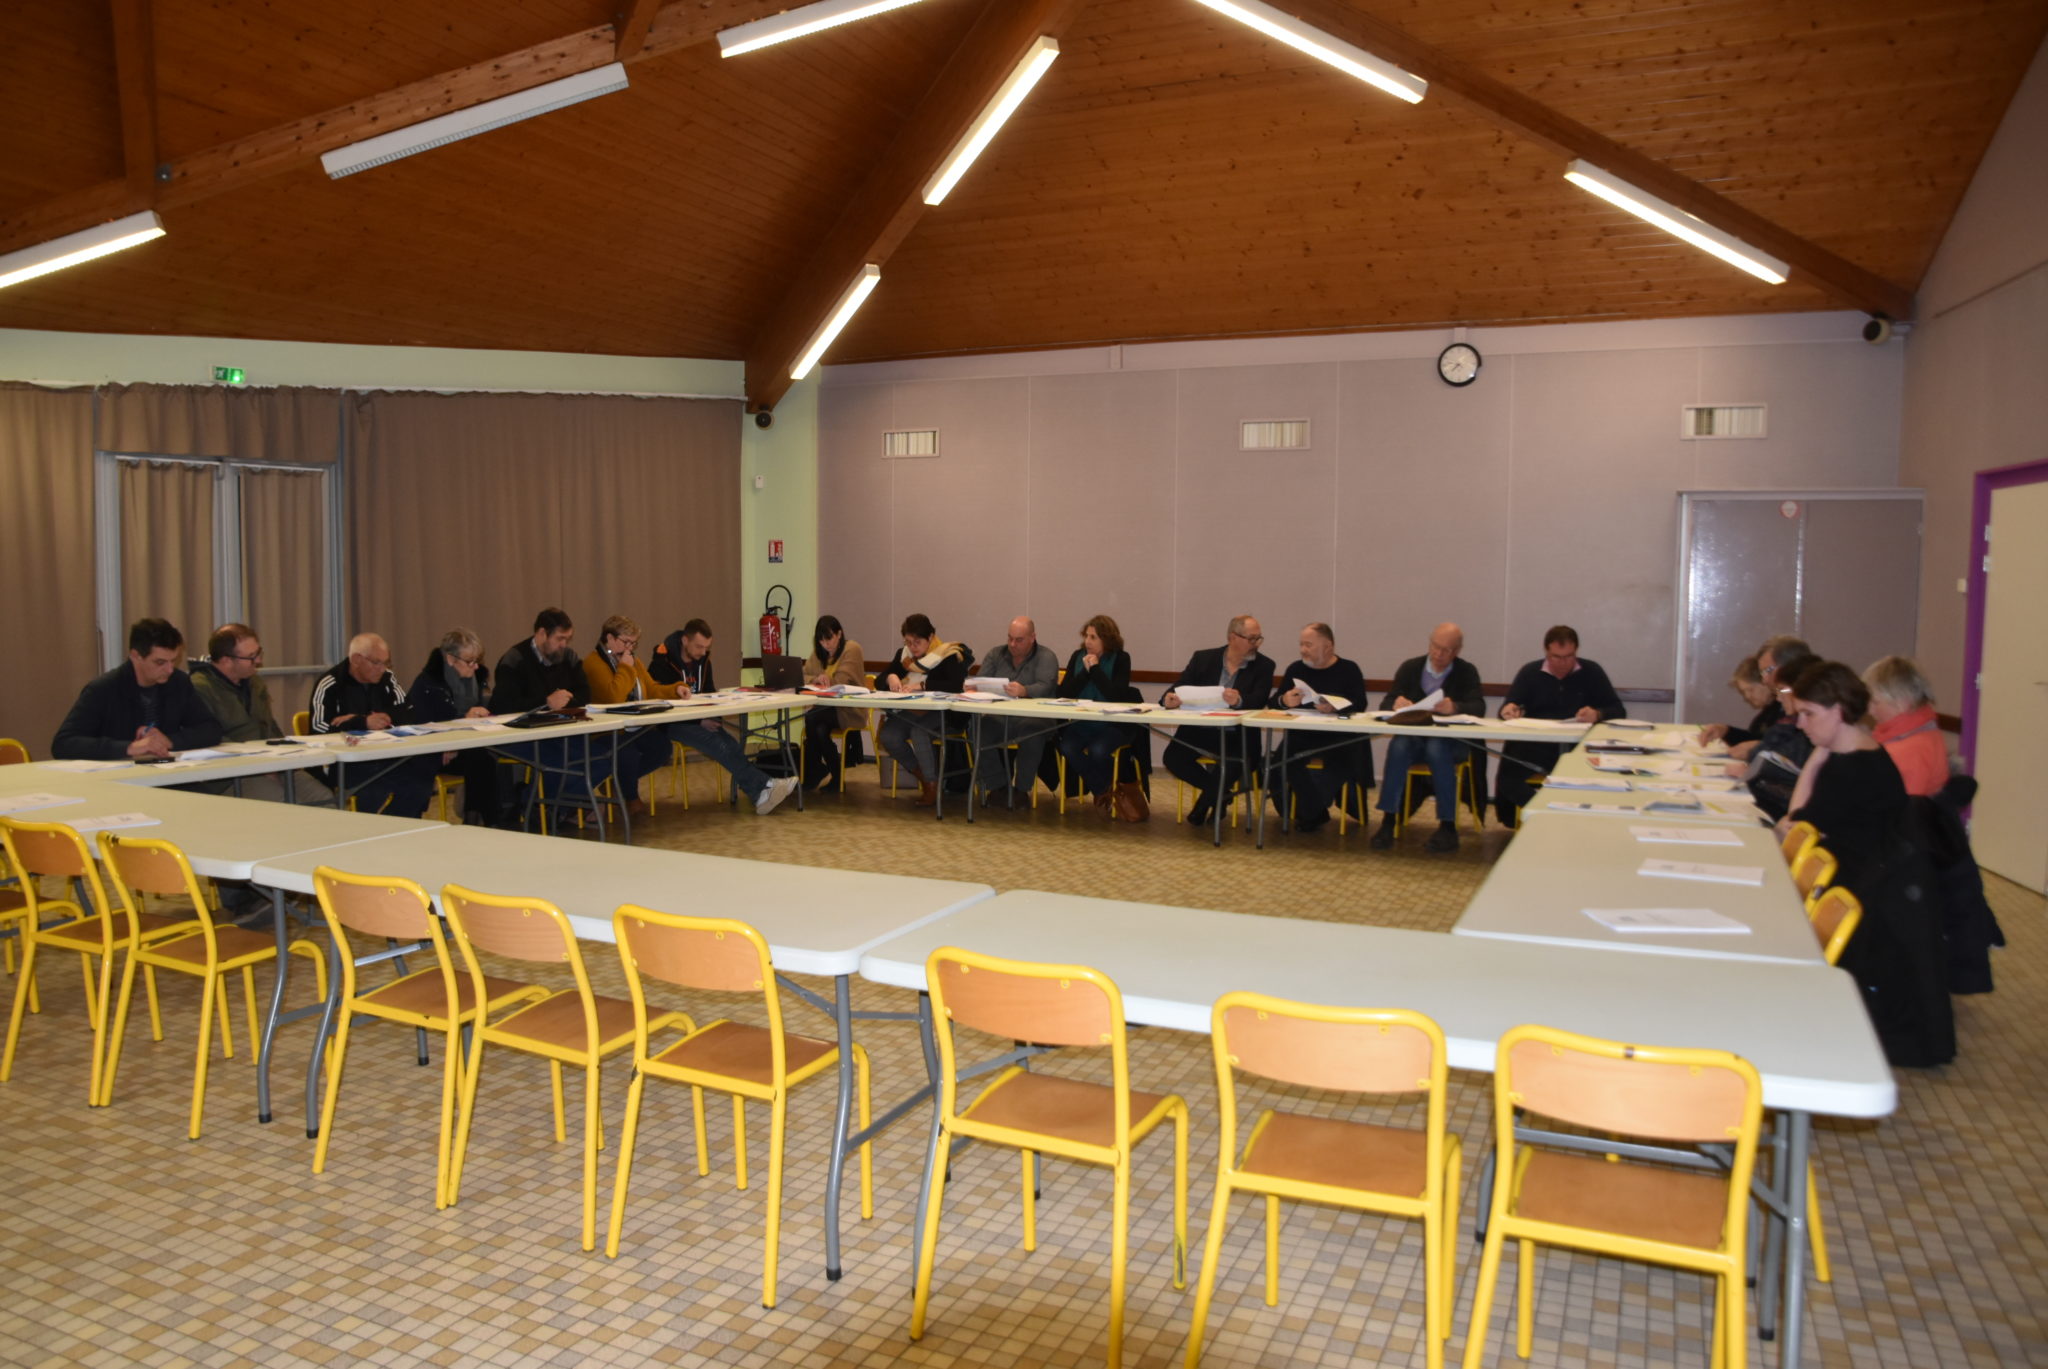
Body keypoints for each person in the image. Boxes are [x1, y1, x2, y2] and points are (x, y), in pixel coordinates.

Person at [1781, 660, 1952, 1067]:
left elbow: (1793, 833)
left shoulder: (1852, 769)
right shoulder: (1862, 754)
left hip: (1863, 900)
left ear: (1838, 711)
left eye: (1808, 714)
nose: (1800, 724)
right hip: (1868, 883)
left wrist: (1815, 760)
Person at [650, 619, 798, 816]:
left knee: (731, 744)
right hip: (672, 723)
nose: (703, 652)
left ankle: (760, 794)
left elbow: (709, 693)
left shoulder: (704, 661)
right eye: (699, 647)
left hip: (699, 719)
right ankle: (765, 786)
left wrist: (714, 717)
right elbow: (661, 701)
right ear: (685, 640)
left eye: (707, 647)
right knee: (718, 745)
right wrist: (699, 720)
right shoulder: (662, 662)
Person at [1370, 622, 1486, 853]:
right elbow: (1386, 703)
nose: (1438, 654)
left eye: (1446, 650)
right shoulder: (1411, 668)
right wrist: (1396, 704)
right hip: (1414, 740)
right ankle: (1388, 820)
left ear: (1456, 651)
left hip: (1451, 742)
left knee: (1436, 747)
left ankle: (1447, 826)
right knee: (1399, 745)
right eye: (1435, 646)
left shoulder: (1466, 671)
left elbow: (1478, 707)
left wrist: (1456, 707)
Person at [1493, 625, 1626, 823]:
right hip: (1534, 747)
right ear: (1546, 652)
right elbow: (1507, 708)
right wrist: (1509, 710)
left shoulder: (1592, 672)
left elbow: (1618, 710)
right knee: (1508, 778)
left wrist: (1598, 714)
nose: (1563, 663)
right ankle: (1546, 814)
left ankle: (1554, 816)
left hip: (1576, 748)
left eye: (1569, 656)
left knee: (1589, 779)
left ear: (1576, 651)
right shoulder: (1530, 672)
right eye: (1556, 657)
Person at [190, 622, 333, 805]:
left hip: (271, 764)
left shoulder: (254, 682)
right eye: (251, 657)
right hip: (230, 775)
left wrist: (285, 755)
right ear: (226, 661)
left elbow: (269, 726)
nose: (258, 661)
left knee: (324, 798)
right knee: (286, 805)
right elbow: (209, 739)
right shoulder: (199, 688)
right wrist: (260, 764)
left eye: (258, 653)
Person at [53, 618, 223, 760]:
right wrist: (128, 747)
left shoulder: (178, 682)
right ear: (135, 656)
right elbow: (64, 744)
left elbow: (211, 729)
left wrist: (169, 741)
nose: (170, 669)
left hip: (171, 775)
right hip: (120, 779)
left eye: (173, 660)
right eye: (160, 662)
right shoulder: (103, 689)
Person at [1161, 615, 1275, 828]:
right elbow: (1179, 687)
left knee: (1232, 765)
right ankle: (1221, 795)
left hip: (1238, 736)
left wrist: (1239, 700)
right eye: (1251, 639)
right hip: (1200, 731)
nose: (1256, 644)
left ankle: (1204, 804)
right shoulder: (1203, 659)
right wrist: (1168, 700)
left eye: (1259, 638)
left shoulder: (1264, 666)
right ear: (1233, 637)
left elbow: (1259, 701)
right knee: (1173, 758)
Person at [308, 632, 435, 818]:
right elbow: (318, 728)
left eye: (386, 663)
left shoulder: (387, 678)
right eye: (377, 663)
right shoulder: (330, 683)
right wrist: (362, 721)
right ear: (356, 659)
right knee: (374, 789)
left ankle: (394, 827)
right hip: (345, 762)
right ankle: (370, 829)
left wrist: (385, 716)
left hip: (384, 755)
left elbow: (408, 710)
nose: (382, 669)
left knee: (420, 783)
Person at [1274, 622, 1370, 834]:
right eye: (1301, 644)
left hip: (1337, 736)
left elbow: (1360, 703)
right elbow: (1274, 702)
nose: (1303, 650)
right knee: (1282, 761)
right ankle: (1315, 812)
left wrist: (1336, 707)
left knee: (1340, 763)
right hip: (1302, 734)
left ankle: (1311, 812)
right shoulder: (1296, 669)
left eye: (1308, 645)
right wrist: (1284, 700)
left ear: (1328, 646)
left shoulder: (1349, 669)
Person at [582, 615, 675, 816]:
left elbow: (652, 689)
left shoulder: (633, 661)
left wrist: (677, 690)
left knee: (662, 747)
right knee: (628, 753)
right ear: (609, 638)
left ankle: (617, 783)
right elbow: (614, 697)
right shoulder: (593, 663)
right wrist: (625, 667)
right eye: (626, 642)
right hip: (604, 730)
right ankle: (631, 796)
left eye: (634, 643)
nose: (630, 648)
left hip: (632, 726)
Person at [409, 628, 502, 826]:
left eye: (477, 660)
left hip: (462, 745)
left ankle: (481, 818)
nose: (475, 666)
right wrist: (457, 729)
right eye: (470, 661)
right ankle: (483, 821)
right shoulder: (428, 684)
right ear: (450, 659)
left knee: (487, 759)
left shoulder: (475, 681)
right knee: (481, 761)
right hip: (432, 750)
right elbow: (422, 724)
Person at [877, 614, 971, 807]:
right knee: (889, 736)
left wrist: (923, 685)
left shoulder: (948, 655)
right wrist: (891, 677)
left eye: (917, 642)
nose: (912, 647)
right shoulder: (904, 657)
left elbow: (955, 685)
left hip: (942, 713)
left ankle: (931, 785)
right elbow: (880, 680)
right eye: (908, 642)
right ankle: (924, 776)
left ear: (930, 637)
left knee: (919, 732)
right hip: (912, 710)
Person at [1722, 634, 1819, 819]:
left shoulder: (1802, 722)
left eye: (1768, 671)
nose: (1765, 680)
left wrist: (1755, 773)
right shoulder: (1786, 711)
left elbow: (1768, 758)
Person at [973, 616, 1059, 804]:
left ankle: (1021, 790)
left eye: (1019, 640)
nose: (1012, 644)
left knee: (1031, 731)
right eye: (1010, 638)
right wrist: (972, 687)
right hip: (1001, 717)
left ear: (1032, 637)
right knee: (978, 729)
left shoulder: (1046, 657)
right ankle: (997, 786)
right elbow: (980, 681)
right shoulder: (995, 654)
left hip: (1037, 717)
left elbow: (1046, 686)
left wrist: (1025, 690)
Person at [1056, 615, 1135, 811]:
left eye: (1093, 637)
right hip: (1081, 723)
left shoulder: (1121, 659)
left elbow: (1116, 695)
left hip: (1112, 724)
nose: (1087, 642)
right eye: (1086, 636)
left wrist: (1096, 670)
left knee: (1098, 750)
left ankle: (1106, 791)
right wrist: (1085, 672)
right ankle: (1104, 790)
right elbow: (1065, 693)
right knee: (1067, 747)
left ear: (1106, 639)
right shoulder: (1078, 656)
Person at [1863, 655, 1951, 798]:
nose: (1870, 710)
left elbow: (1898, 807)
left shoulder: (1911, 750)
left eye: (1875, 702)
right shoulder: (1921, 733)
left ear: (1902, 701)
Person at [801, 615, 866, 790]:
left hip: (849, 709)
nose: (826, 644)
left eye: (829, 638)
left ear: (839, 634)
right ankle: (835, 778)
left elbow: (840, 682)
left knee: (811, 718)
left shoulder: (852, 649)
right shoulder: (818, 654)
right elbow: (802, 675)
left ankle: (816, 770)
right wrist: (815, 678)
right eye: (821, 640)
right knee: (820, 729)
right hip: (825, 710)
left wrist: (825, 680)